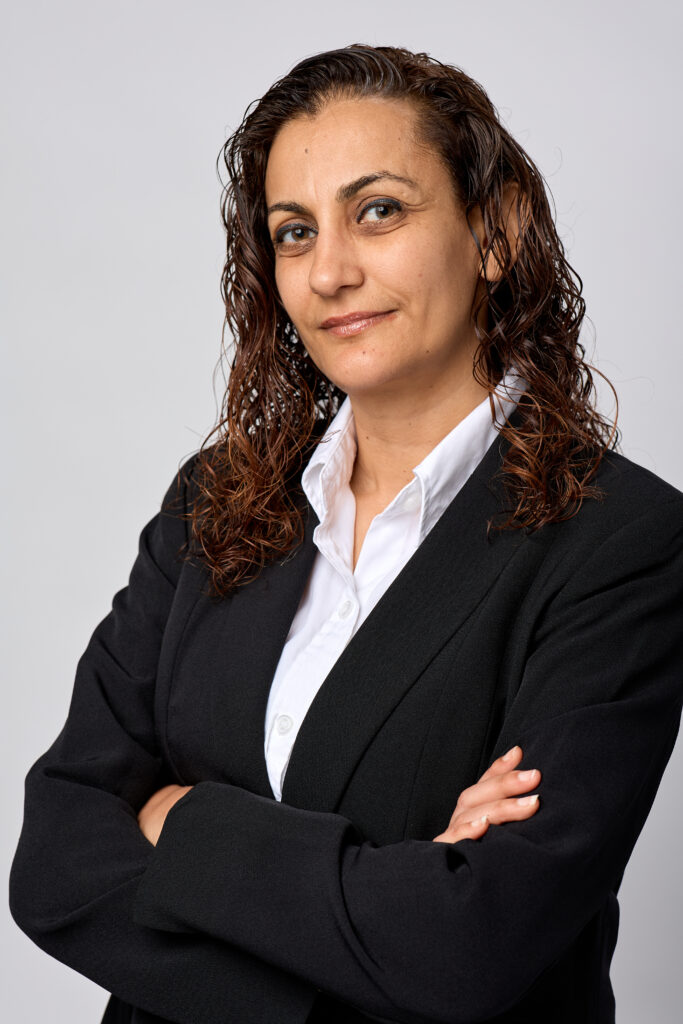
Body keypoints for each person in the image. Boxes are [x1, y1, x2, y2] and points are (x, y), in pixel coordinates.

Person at [9, 43, 683, 1024]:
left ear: (491, 233)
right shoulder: (214, 499)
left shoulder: (621, 542)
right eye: (292, 231)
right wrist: (382, 902)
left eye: (377, 210)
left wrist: (179, 816)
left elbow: (471, 944)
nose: (328, 271)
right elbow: (56, 862)